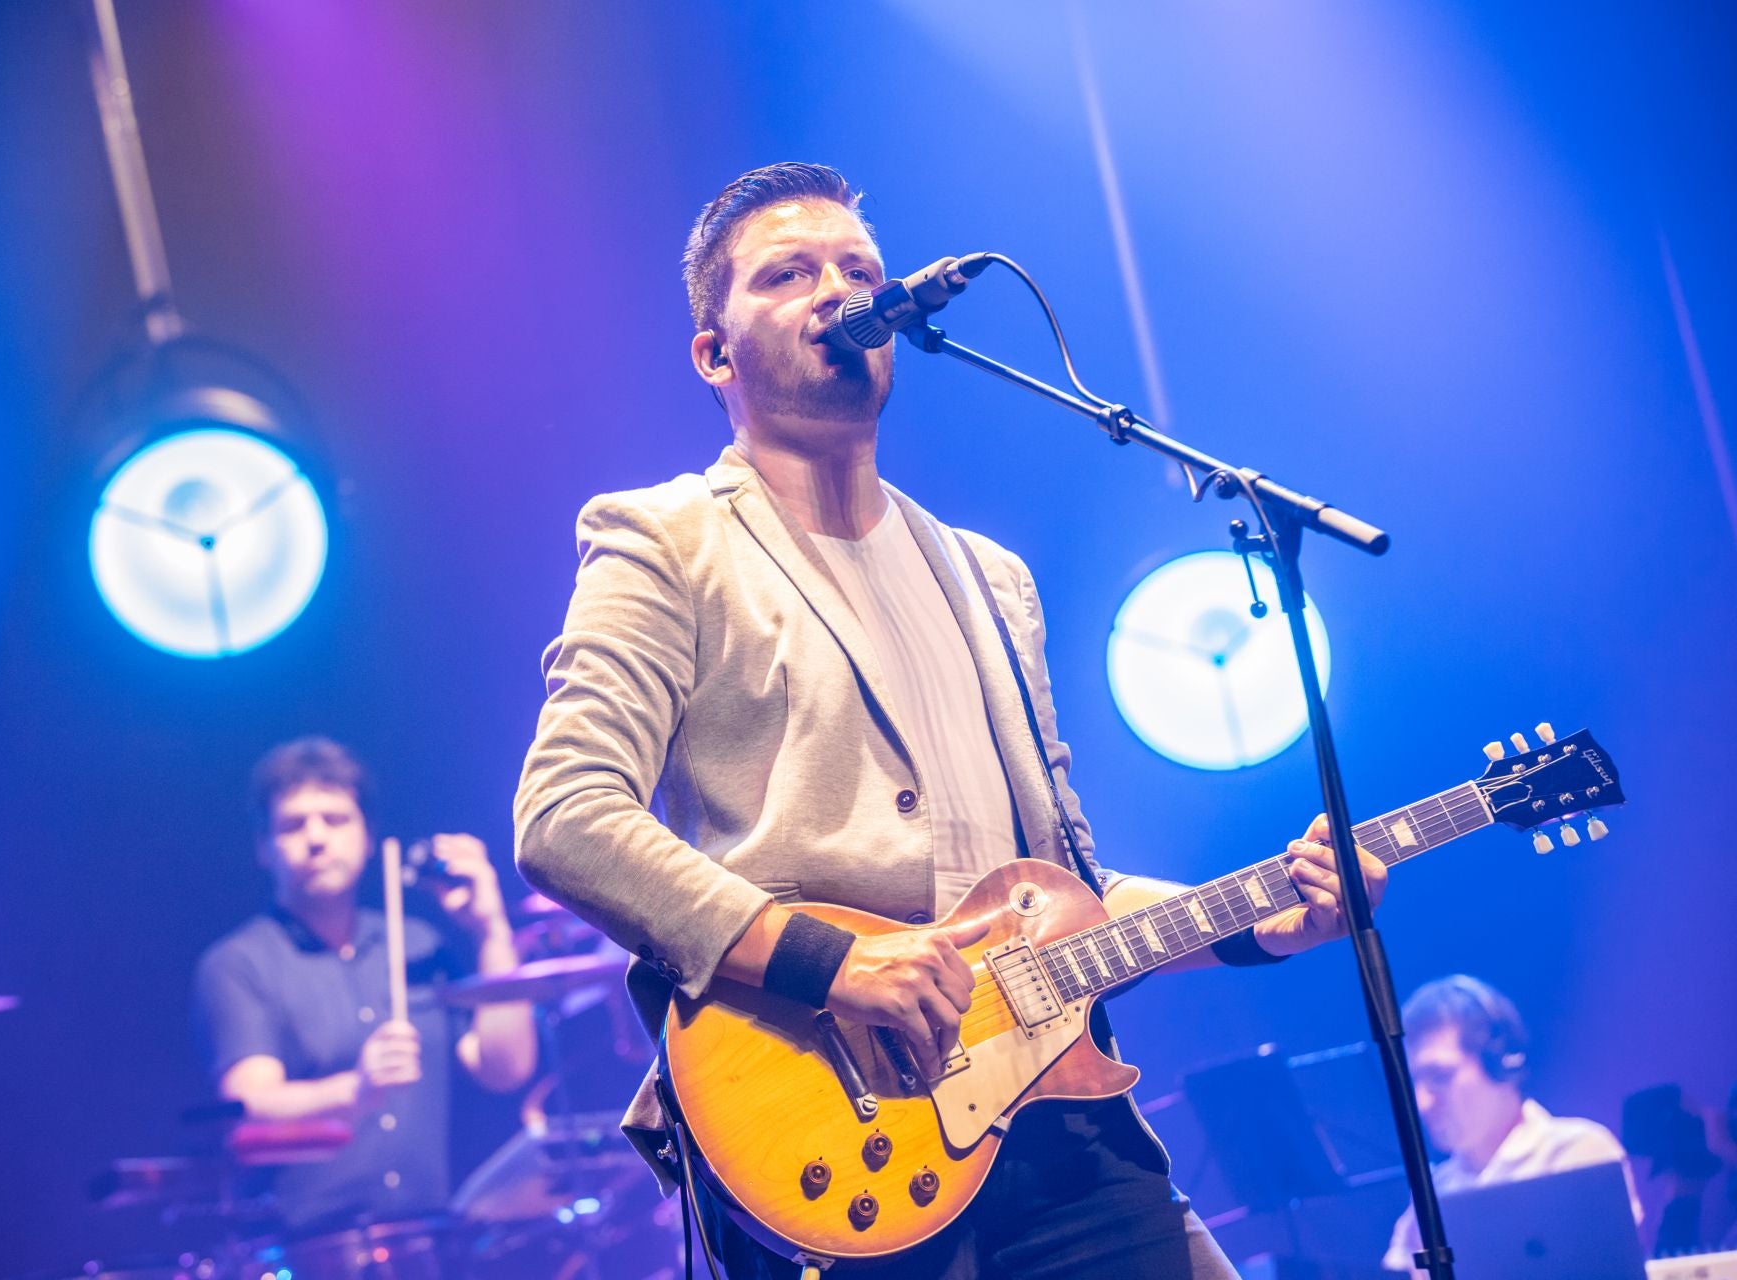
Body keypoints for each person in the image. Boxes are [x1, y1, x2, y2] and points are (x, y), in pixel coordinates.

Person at [513, 162, 1387, 1278]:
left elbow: (1067, 885)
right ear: (713, 354)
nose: (837, 289)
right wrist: (834, 963)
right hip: (840, 1126)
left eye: (858, 270)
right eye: (788, 273)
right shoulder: (664, 539)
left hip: (1060, 1126)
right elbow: (566, 815)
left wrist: (1268, 921)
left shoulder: (989, 577)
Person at [193, 736, 537, 1235]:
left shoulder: (417, 945)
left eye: (336, 819)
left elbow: (505, 1069)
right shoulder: (238, 964)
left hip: (428, 1240)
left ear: (368, 836)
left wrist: (490, 929)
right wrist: (355, 1088)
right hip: (306, 1248)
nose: (316, 838)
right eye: (293, 824)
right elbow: (249, 1104)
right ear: (263, 848)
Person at [1383, 974, 1640, 1274]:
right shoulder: (1435, 1190)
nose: (1422, 1102)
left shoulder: (1577, 1151)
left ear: (1502, 1062)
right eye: (1415, 1081)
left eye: (1440, 1076)